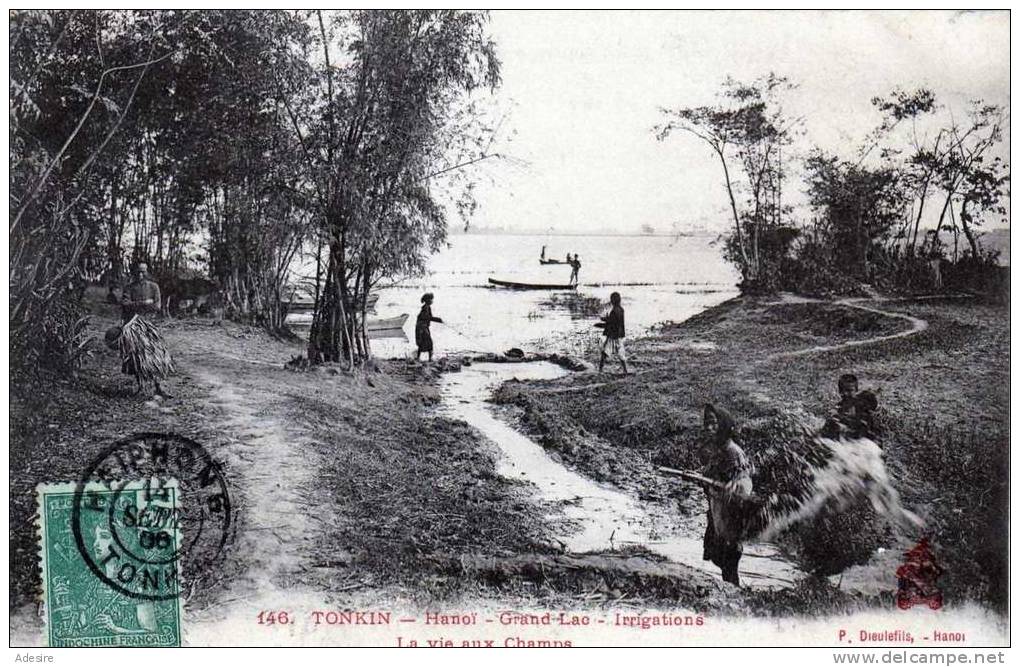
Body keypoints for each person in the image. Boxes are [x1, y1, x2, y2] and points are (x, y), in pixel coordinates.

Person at [698, 403, 752, 586]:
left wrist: (734, 486)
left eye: (713, 423)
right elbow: (711, 473)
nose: (708, 427)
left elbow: (745, 482)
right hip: (717, 512)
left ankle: (734, 594)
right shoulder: (718, 449)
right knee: (717, 556)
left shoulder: (733, 452)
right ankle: (733, 590)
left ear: (723, 425)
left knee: (728, 559)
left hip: (729, 515)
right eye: (706, 423)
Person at [598, 291, 628, 374]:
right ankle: (625, 370)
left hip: (612, 335)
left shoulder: (613, 311)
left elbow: (611, 323)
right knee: (621, 353)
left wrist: (603, 320)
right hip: (619, 335)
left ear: (612, 301)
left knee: (604, 352)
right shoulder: (621, 310)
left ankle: (600, 370)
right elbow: (619, 323)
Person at [415, 292, 443, 362]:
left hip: (423, 327)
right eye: (431, 299)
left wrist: (438, 319)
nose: (432, 301)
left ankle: (419, 358)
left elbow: (429, 317)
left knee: (424, 343)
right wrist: (437, 319)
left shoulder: (428, 307)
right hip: (421, 328)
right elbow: (427, 317)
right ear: (427, 300)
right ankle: (429, 359)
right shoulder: (425, 308)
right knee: (428, 343)